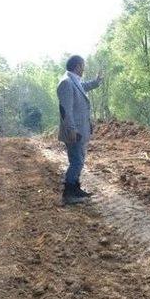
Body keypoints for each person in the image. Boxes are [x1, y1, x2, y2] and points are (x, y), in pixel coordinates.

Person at [57, 55, 103, 205]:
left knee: (78, 160)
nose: (84, 68)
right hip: (74, 131)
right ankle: (69, 193)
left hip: (80, 129)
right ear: (77, 66)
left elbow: (84, 87)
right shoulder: (66, 83)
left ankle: (75, 188)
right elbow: (66, 111)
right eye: (83, 65)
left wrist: (96, 82)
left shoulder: (73, 81)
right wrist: (72, 130)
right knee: (77, 161)